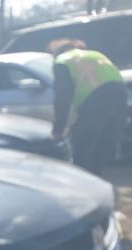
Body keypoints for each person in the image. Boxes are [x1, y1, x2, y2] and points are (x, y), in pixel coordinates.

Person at [48, 38, 127, 176]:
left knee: (83, 146)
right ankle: (96, 177)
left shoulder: (62, 61)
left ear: (56, 53)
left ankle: (83, 181)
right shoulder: (95, 54)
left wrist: (58, 129)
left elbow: (62, 98)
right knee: (101, 144)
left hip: (98, 98)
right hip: (120, 92)